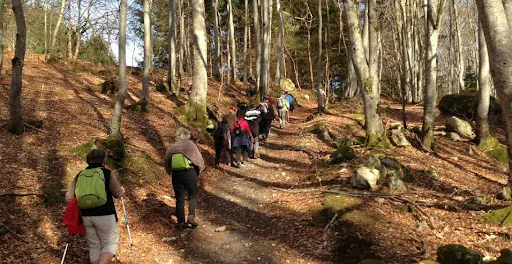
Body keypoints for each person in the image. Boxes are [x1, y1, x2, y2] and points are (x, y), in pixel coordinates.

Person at [65, 149, 125, 264]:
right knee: (109, 244)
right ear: (103, 160)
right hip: (105, 215)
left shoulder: (80, 174)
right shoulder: (107, 173)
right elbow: (118, 193)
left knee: (94, 246)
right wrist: (122, 190)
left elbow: (68, 197)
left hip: (86, 216)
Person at [164, 128, 205, 230]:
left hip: (176, 175)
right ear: (187, 136)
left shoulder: (173, 147)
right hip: (189, 173)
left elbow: (167, 160)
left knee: (179, 198)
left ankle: (180, 222)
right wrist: (198, 171)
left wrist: (170, 171)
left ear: (178, 136)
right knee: (192, 196)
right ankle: (191, 217)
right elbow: (199, 160)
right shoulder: (191, 145)